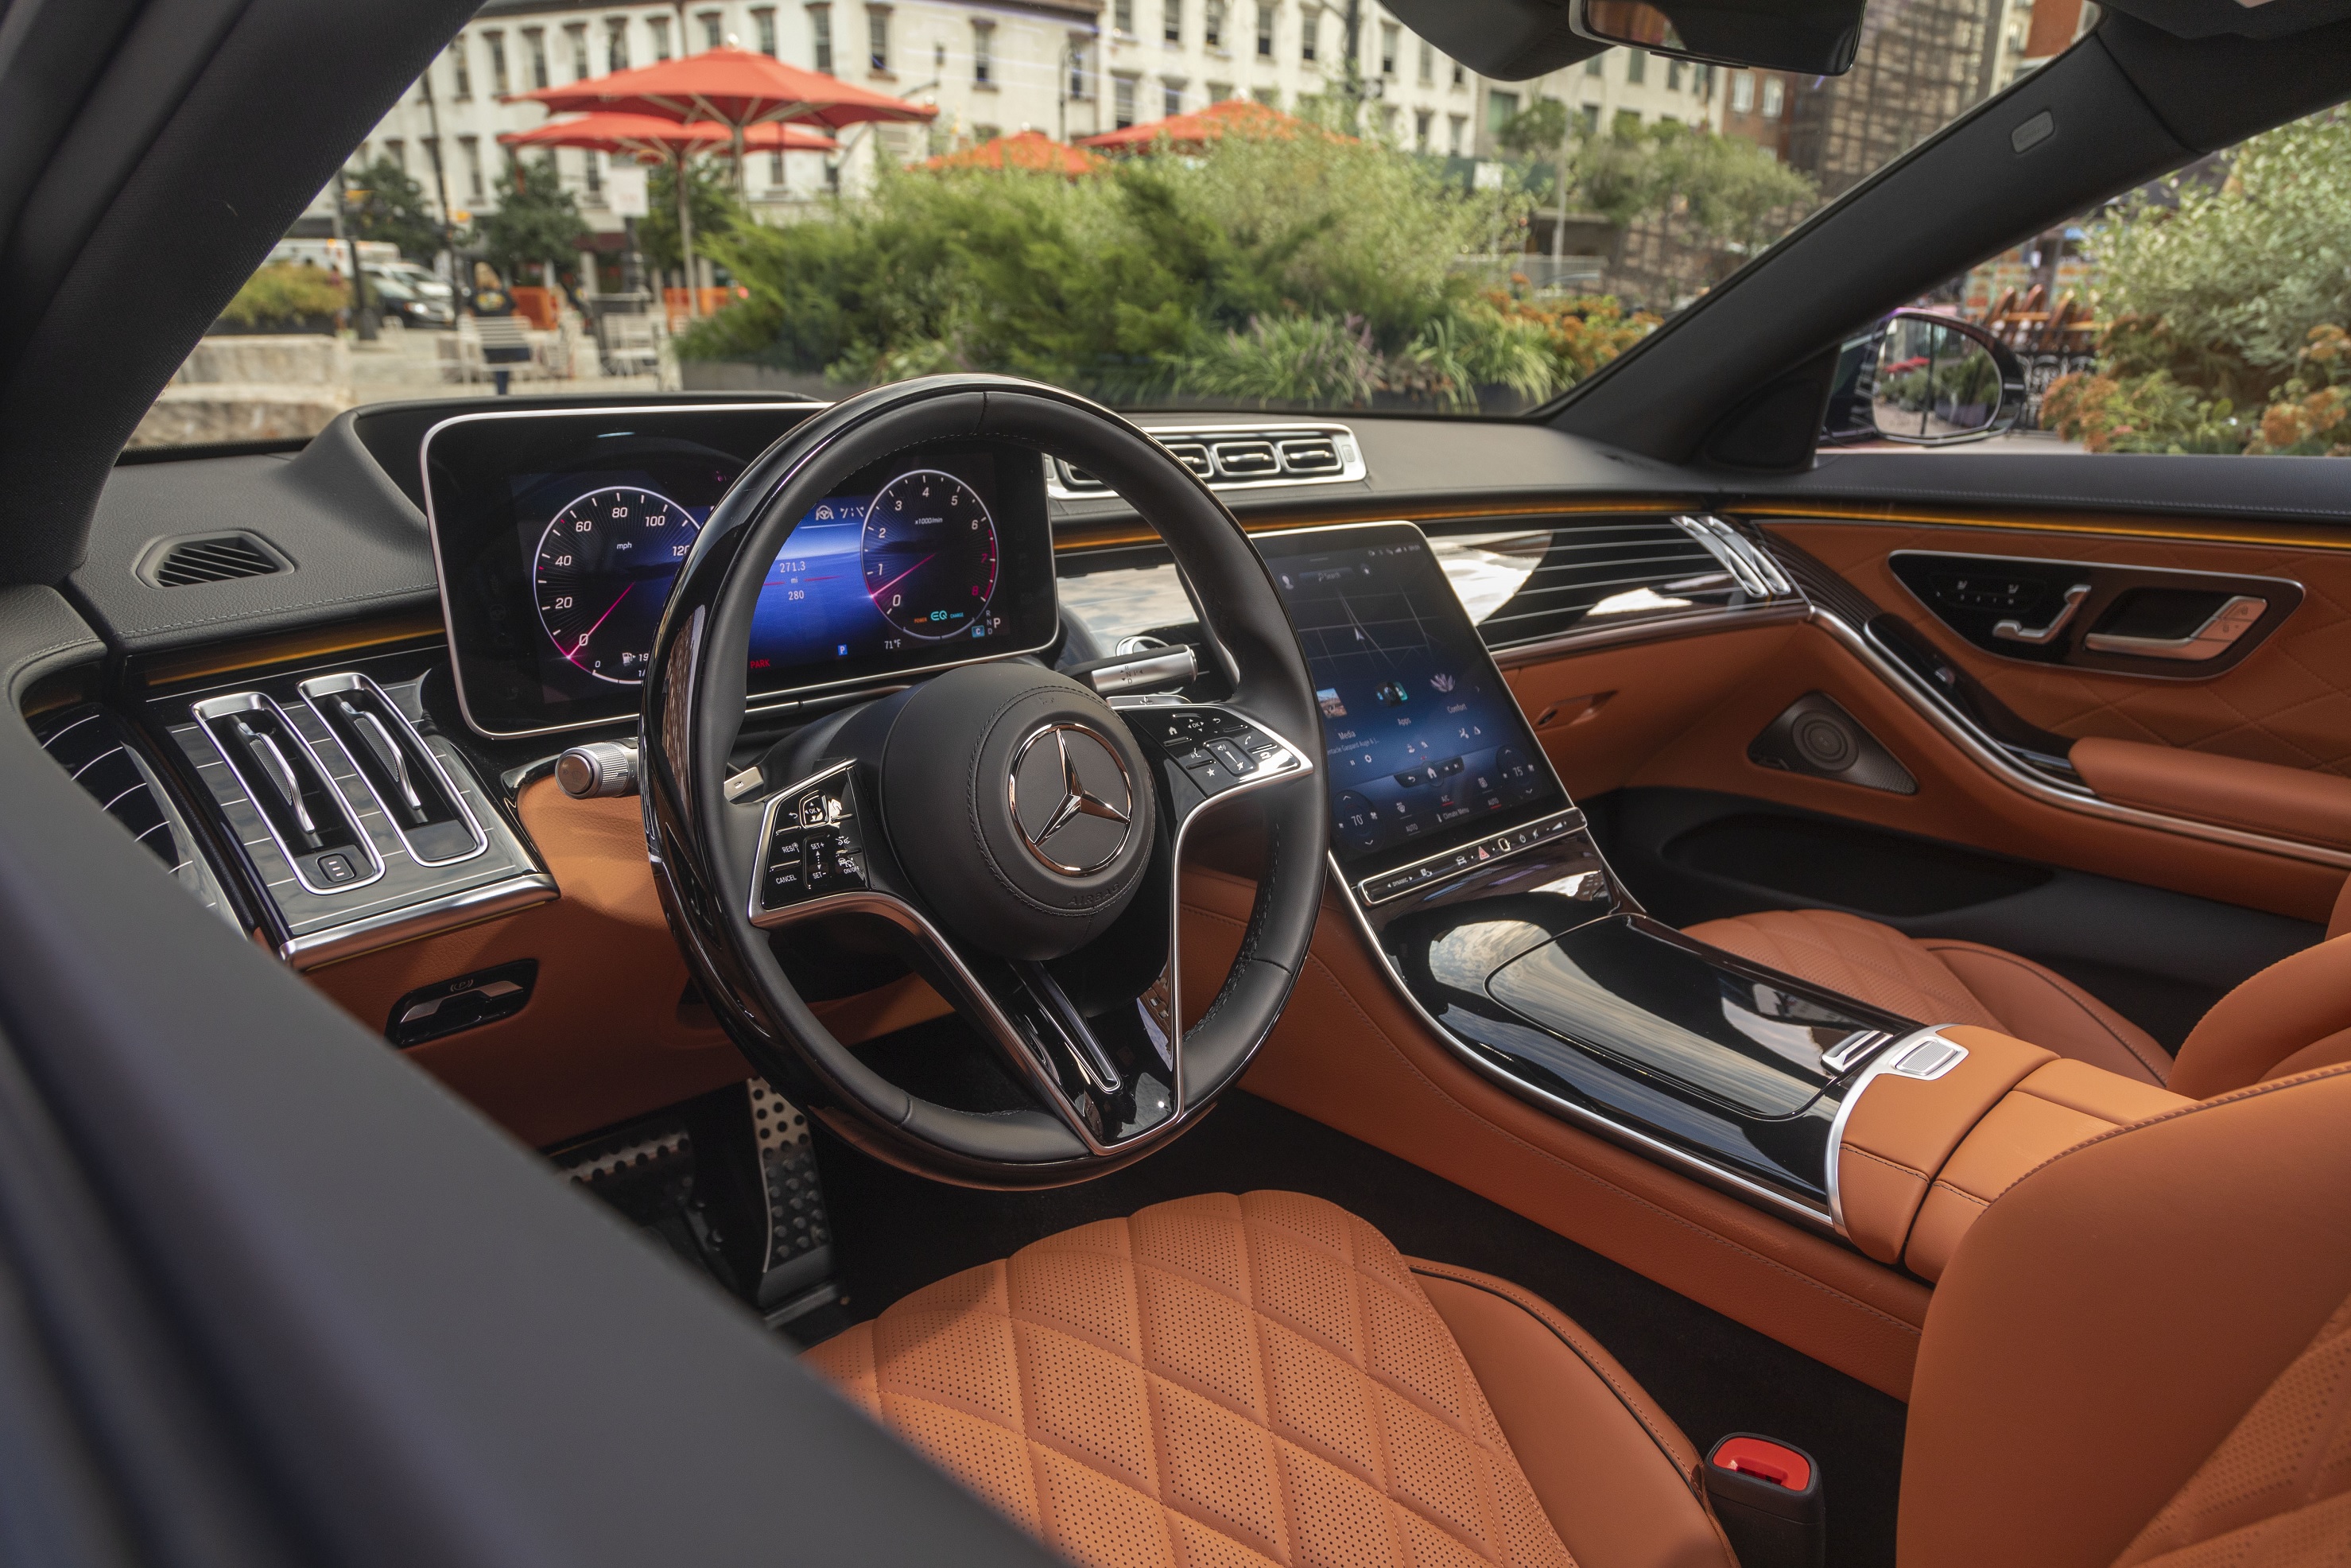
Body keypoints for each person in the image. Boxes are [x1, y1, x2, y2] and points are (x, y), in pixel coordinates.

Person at [469, 261, 531, 395]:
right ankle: (503, 392)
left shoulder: (474, 297)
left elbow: (472, 319)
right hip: (512, 348)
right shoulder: (504, 294)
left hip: (490, 347)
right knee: (506, 353)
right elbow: (516, 318)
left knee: (498, 356)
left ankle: (501, 392)